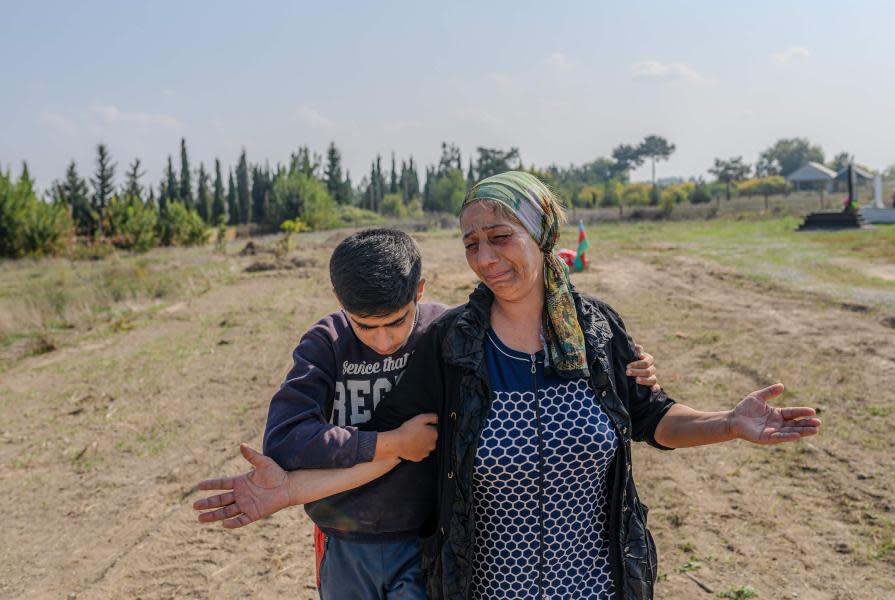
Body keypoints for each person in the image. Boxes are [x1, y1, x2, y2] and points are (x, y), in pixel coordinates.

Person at [196, 172, 821, 600]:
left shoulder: (598, 330)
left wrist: (729, 424)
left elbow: (652, 418)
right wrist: (288, 491)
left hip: (598, 585)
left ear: (542, 236)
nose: (485, 257)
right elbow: (396, 448)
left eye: (501, 237)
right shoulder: (452, 347)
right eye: (471, 243)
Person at [196, 227, 660, 600]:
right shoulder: (327, 342)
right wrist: (391, 443)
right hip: (343, 541)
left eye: (396, 321)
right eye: (366, 326)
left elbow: (528, 363)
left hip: (426, 541)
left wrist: (629, 373)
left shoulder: (448, 334)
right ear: (340, 303)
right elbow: (286, 441)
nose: (383, 340)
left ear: (420, 289)